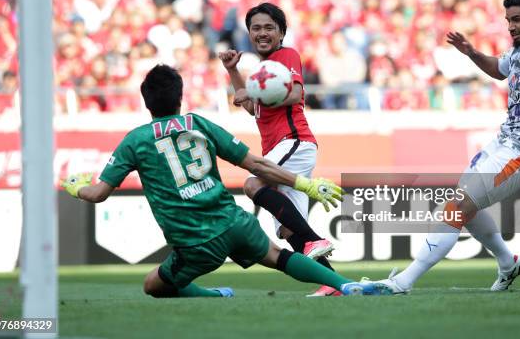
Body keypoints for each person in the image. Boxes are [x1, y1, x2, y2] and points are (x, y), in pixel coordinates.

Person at [61, 64, 388, 298]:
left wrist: (78, 187)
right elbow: (257, 164)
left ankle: (212, 295)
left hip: (195, 244)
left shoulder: (135, 140)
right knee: (279, 258)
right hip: (235, 223)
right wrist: (304, 184)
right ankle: (345, 284)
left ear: (147, 103)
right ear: (180, 98)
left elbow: (98, 193)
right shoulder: (199, 123)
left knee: (153, 285)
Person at [379, 0, 520, 293]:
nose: (510, 26)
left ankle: (403, 281)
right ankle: (508, 262)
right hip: (504, 142)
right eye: (508, 19)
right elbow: (499, 70)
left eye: (517, 19)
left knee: (457, 207)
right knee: (463, 202)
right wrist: (471, 53)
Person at [218, 3, 340, 297]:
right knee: (287, 230)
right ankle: (337, 284)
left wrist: (256, 91)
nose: (262, 33)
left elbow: (296, 93)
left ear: (282, 32)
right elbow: (249, 107)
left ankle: (313, 239)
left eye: (269, 27)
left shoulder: (286, 56)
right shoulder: (262, 71)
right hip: (280, 147)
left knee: (253, 182)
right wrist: (234, 72)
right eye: (256, 28)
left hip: (294, 141)